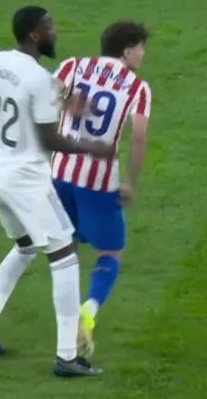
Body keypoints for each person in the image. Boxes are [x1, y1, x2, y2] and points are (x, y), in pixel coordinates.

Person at [0, 6, 113, 378]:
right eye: (49, 27)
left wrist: (63, 95)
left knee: (25, 246)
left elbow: (33, 86)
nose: (55, 32)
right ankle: (67, 357)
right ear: (34, 35)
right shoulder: (38, 79)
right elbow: (50, 138)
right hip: (26, 180)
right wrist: (91, 148)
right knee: (64, 254)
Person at [50, 21, 153, 357]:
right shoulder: (137, 88)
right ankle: (89, 309)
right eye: (140, 47)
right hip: (98, 181)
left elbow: (45, 90)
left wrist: (68, 101)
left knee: (67, 249)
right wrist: (131, 182)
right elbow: (139, 137)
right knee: (111, 251)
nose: (143, 54)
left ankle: (66, 324)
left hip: (59, 173)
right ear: (126, 50)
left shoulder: (74, 65)